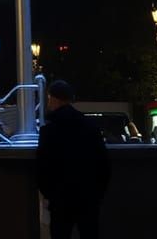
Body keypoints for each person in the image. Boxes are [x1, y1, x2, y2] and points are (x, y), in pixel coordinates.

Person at [37, 80, 110, 239]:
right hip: (88, 197)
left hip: (60, 199)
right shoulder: (91, 127)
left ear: (54, 99)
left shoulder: (48, 131)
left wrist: (49, 194)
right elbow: (103, 164)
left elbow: (42, 167)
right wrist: (97, 194)